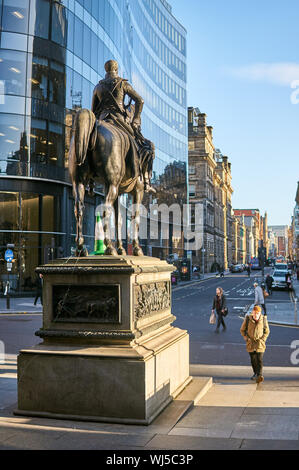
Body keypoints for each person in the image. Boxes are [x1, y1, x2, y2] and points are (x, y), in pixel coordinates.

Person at [91, 59, 155, 193]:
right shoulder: (123, 84)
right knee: (147, 146)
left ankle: (89, 179)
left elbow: (93, 111)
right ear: (117, 70)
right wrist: (136, 118)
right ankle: (146, 180)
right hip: (119, 120)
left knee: (89, 144)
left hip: (102, 119)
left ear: (106, 70)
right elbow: (140, 100)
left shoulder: (98, 87)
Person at [240, 305, 270, 383]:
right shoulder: (247, 319)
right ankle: (255, 373)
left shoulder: (263, 319)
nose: (256, 315)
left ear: (260, 313)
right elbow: (242, 330)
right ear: (252, 312)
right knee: (253, 360)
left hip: (260, 344)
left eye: (258, 313)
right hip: (251, 343)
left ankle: (260, 375)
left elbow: (267, 331)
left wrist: (263, 339)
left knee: (259, 359)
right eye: (255, 313)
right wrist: (246, 338)